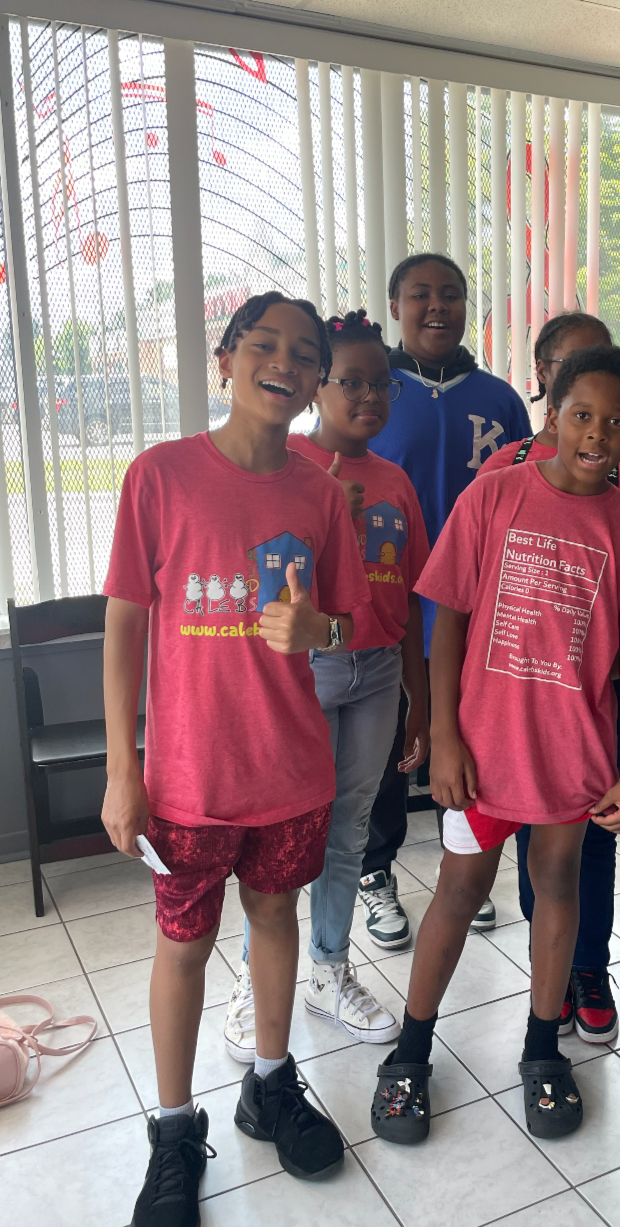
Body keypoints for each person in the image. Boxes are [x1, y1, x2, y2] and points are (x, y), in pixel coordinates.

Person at [101, 293, 369, 1225]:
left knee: (275, 918)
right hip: (188, 780)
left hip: (289, 771)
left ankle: (270, 1081)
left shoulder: (320, 492)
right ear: (225, 358)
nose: (284, 363)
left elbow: (350, 622)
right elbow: (124, 623)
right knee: (183, 945)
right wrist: (123, 768)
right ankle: (175, 1131)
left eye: (304, 353)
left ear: (317, 379)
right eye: (264, 344)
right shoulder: (161, 475)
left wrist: (318, 628)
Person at [368, 347, 620, 1145]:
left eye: (616, 421)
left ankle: (543, 1046)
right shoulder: (494, 496)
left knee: (557, 883)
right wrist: (443, 732)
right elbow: (447, 620)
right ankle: (410, 1049)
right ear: (551, 415)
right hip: (481, 750)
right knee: (459, 889)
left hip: (573, 754)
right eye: (582, 415)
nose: (597, 433)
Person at [481, 313, 620, 1041]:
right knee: (535, 843)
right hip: (517, 696)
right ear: (549, 384)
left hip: (593, 699)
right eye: (574, 373)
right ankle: (548, 964)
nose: (596, 417)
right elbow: (476, 591)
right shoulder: (505, 470)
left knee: (593, 835)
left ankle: (587, 966)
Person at [222, 309, 430, 1063]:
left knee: (349, 830)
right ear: (317, 386)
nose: (368, 396)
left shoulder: (397, 483)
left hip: (376, 675)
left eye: (382, 384)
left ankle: (329, 969)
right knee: (280, 833)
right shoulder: (289, 467)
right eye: (351, 381)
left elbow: (409, 601)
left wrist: (420, 701)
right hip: (303, 674)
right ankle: (256, 978)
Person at [358, 253, 531, 948]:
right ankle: (375, 872)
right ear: (395, 305)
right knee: (387, 748)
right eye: (421, 294)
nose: (437, 306)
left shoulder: (500, 399)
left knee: (465, 741)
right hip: (390, 604)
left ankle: (464, 870)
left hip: (476, 610)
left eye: (451, 294)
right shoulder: (375, 392)